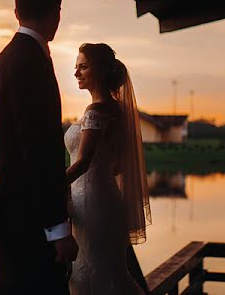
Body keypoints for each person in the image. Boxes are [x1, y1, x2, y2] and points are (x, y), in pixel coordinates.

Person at [0, 0, 78, 294]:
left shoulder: (4, 58)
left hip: (6, 204)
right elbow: (39, 151)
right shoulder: (32, 62)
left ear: (16, 12)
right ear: (56, 12)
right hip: (29, 217)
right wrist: (58, 230)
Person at [66, 43, 151, 294]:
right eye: (76, 67)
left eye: (83, 67)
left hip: (90, 202)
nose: (76, 73)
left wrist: (51, 185)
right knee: (110, 269)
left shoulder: (96, 111)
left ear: (100, 71)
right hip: (106, 197)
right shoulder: (119, 110)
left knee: (93, 271)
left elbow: (82, 163)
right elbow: (118, 164)